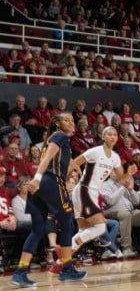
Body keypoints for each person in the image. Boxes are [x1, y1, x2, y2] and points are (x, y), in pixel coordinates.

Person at [11, 113, 87, 287]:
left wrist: (74, 170)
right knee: (67, 223)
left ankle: (20, 272)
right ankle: (67, 269)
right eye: (66, 120)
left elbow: (59, 164)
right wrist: (37, 177)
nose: (71, 123)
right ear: (57, 124)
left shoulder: (53, 139)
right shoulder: (59, 136)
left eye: (72, 120)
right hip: (49, 182)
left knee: (38, 230)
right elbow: (46, 159)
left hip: (41, 185)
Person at [66, 126, 138, 262]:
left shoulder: (115, 158)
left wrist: (129, 174)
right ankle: (92, 242)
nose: (112, 137)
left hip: (91, 193)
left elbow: (121, 179)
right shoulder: (95, 151)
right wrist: (67, 181)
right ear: (103, 137)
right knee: (100, 227)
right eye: (109, 134)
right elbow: (74, 163)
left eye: (115, 135)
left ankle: (61, 263)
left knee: (83, 231)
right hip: (84, 190)